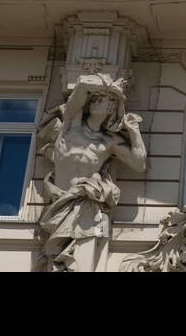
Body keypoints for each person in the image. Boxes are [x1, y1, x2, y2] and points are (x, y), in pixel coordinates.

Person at [36, 74, 147, 271]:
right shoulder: (71, 124)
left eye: (102, 100)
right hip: (59, 203)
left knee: (80, 264)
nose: (95, 101)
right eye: (95, 98)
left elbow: (139, 164)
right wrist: (110, 86)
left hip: (86, 205)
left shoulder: (109, 142)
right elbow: (82, 84)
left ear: (112, 108)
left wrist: (134, 132)